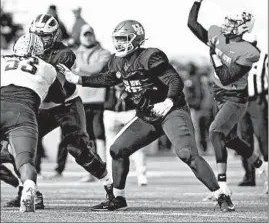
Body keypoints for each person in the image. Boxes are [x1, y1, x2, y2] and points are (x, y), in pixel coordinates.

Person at [58, 19, 234, 212]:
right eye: (116, 39)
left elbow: (175, 80)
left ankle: (221, 195)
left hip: (171, 112)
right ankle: (118, 199)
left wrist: (168, 101)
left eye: (123, 38)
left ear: (136, 39)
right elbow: (109, 78)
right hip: (147, 116)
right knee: (117, 150)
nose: (118, 43)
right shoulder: (116, 60)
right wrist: (78, 80)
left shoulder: (150, 56)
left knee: (187, 154)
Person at [7, 14, 114, 208]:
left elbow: (56, 92)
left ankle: (110, 187)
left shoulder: (64, 54)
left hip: (65, 104)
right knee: (19, 145)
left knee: (79, 149)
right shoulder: (23, 46)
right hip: (38, 106)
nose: (39, 39)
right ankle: (30, 190)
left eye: (45, 35)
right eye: (36, 34)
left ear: (55, 35)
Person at [187, 0, 266, 200]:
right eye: (228, 20)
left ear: (243, 26)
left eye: (233, 22)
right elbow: (192, 24)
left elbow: (227, 76)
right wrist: (198, 0)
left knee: (215, 132)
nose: (227, 24)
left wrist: (214, 54)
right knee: (230, 139)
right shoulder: (218, 35)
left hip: (235, 98)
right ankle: (260, 164)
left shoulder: (248, 51)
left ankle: (222, 185)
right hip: (218, 95)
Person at [1, 33, 65, 212]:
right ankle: (29, 187)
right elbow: (60, 98)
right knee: (25, 161)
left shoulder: (3, 60)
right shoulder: (48, 68)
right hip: (24, 112)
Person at [47, 24, 110, 181]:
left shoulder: (104, 52)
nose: (88, 37)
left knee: (98, 136)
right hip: (76, 100)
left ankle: (101, 169)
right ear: (80, 37)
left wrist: (76, 69)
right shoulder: (72, 52)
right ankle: (59, 169)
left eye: (90, 34)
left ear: (94, 35)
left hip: (97, 100)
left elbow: (97, 68)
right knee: (68, 138)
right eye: (85, 34)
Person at [103, 83, 148, 186]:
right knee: (111, 145)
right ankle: (111, 175)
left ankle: (141, 174)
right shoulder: (107, 71)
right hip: (111, 111)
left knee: (137, 143)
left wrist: (128, 93)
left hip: (129, 111)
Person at [238, 48, 268, 192]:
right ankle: (249, 175)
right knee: (244, 139)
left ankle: (267, 175)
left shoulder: (263, 57)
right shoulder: (237, 54)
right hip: (242, 101)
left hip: (258, 99)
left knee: (263, 137)